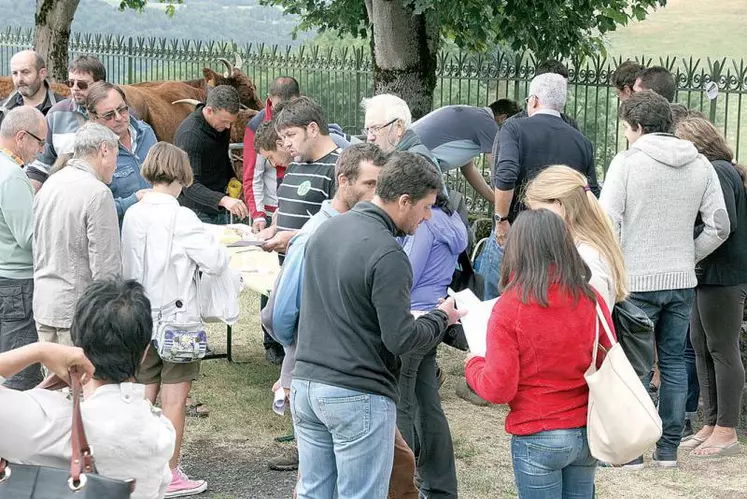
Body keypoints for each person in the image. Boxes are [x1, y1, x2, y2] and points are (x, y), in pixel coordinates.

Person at [291, 152, 464, 499]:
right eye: (426, 206)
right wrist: (440, 317)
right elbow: (400, 338)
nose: (429, 216)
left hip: (306, 385)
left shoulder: (325, 230)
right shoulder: (389, 254)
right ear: (404, 201)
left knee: (313, 493)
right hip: (357, 392)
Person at [600, 90, 728, 467]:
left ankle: (634, 451)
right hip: (681, 279)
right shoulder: (701, 164)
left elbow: (608, 223)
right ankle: (669, 449)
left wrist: (619, 262)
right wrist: (689, 255)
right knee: (673, 362)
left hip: (636, 280)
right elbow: (719, 226)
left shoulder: (626, 163)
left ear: (638, 126)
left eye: (626, 127)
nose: (625, 134)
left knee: (636, 367)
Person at [261, 144, 396, 480]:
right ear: (343, 181)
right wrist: (300, 346)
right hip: (322, 375)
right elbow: (277, 314)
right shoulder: (313, 235)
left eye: (381, 186)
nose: (376, 194)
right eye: (369, 184)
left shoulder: (368, 232)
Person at [465, 208, 614, 499]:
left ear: (517, 250)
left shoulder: (510, 307)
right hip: (586, 430)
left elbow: (499, 388)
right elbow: (606, 360)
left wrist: (474, 365)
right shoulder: (590, 298)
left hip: (537, 430)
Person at [0, 279, 175, 499]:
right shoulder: (161, 431)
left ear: (76, 344)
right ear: (144, 351)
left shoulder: (43, 419)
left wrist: (40, 351)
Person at [121, 141, 228, 497]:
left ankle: (131, 467)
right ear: (182, 175)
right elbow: (214, 261)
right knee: (174, 402)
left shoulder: (134, 212)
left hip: (139, 316)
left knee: (139, 397)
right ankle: (169, 473)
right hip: (177, 319)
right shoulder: (182, 216)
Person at [486, 72, 597, 300]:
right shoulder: (581, 141)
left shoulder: (514, 129)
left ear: (533, 100)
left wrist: (501, 219)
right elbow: (592, 191)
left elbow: (505, 174)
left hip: (518, 228)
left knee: (496, 291)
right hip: (562, 236)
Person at [674, 116, 747, 458]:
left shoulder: (717, 170)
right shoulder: (718, 169)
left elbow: (722, 225)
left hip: (724, 274)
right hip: (708, 274)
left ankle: (727, 430)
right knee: (701, 345)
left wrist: (687, 249)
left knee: (722, 348)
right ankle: (711, 422)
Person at [397, 190, 467, 498]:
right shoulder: (450, 218)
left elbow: (406, 272)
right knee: (427, 405)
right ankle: (440, 488)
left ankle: (399, 487)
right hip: (435, 316)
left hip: (413, 317)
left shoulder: (425, 224)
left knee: (400, 403)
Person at [33, 122, 122, 346]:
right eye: (116, 156)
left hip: (45, 304)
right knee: (81, 381)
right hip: (79, 312)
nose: (115, 165)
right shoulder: (98, 193)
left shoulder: (50, 184)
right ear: (104, 150)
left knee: (54, 380)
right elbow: (106, 267)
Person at [524, 165, 628, 310]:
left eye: (539, 213)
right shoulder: (585, 249)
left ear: (559, 205)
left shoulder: (587, 260)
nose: (537, 222)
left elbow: (589, 322)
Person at [0, 107, 47, 390]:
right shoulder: (13, 176)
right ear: (21, 137)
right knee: (21, 371)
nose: (41, 151)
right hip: (18, 281)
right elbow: (29, 237)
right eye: (40, 142)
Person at [259, 96, 343, 255]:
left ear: (312, 129)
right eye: (283, 138)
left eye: (290, 135)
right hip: (288, 268)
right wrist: (273, 230)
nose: (286, 143)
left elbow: (340, 229)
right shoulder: (294, 165)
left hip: (315, 271)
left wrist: (295, 238)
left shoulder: (340, 167)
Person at [411, 99, 521, 204]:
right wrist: (506, 204)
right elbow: (498, 172)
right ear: (503, 118)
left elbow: (469, 170)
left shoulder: (475, 118)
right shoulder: (488, 124)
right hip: (418, 163)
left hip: (410, 159)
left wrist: (495, 200)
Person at [27, 55, 106, 192]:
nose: (75, 88)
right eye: (70, 83)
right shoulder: (55, 114)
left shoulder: (117, 116)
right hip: (66, 194)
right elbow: (41, 165)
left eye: (82, 84)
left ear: (100, 84)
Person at [175, 84, 248, 224]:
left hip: (218, 205)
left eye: (230, 122)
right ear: (209, 111)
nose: (228, 127)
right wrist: (223, 200)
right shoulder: (190, 135)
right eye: (224, 121)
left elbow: (222, 158)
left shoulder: (220, 126)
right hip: (196, 211)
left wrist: (231, 177)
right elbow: (189, 185)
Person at [86, 81, 155, 222]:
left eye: (122, 109)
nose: (118, 118)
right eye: (109, 115)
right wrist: (133, 200)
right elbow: (94, 210)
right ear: (94, 118)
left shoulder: (146, 132)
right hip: (123, 236)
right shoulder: (91, 153)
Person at [242, 76, 301, 232]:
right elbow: (252, 175)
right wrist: (258, 214)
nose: (283, 113)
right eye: (279, 107)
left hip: (301, 207)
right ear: (270, 100)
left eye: (289, 107)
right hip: (270, 211)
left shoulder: (306, 119)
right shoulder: (255, 126)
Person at [362, 93, 439, 167]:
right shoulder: (406, 159)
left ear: (399, 127)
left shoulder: (413, 165)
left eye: (376, 128)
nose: (369, 137)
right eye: (368, 130)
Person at [0, 50, 65, 120]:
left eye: (25, 72)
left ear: (42, 74)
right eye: (15, 73)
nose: (19, 79)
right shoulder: (3, 110)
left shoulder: (63, 110)